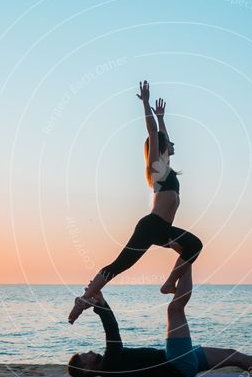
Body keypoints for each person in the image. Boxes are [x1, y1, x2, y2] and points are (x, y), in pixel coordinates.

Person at [68, 79, 203, 324]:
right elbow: (154, 134)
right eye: (169, 143)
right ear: (160, 147)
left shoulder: (166, 168)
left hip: (162, 230)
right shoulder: (156, 168)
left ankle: (169, 283)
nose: (173, 144)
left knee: (193, 246)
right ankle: (84, 299)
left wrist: (162, 116)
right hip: (151, 226)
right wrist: (146, 104)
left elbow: (161, 136)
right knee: (119, 266)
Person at [67, 269, 252, 377]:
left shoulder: (111, 369)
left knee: (233, 356)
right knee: (174, 308)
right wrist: (99, 303)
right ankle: (187, 257)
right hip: (176, 364)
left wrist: (99, 298)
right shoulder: (110, 368)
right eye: (83, 357)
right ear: (87, 371)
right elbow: (112, 331)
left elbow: (111, 328)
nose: (89, 352)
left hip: (179, 361)